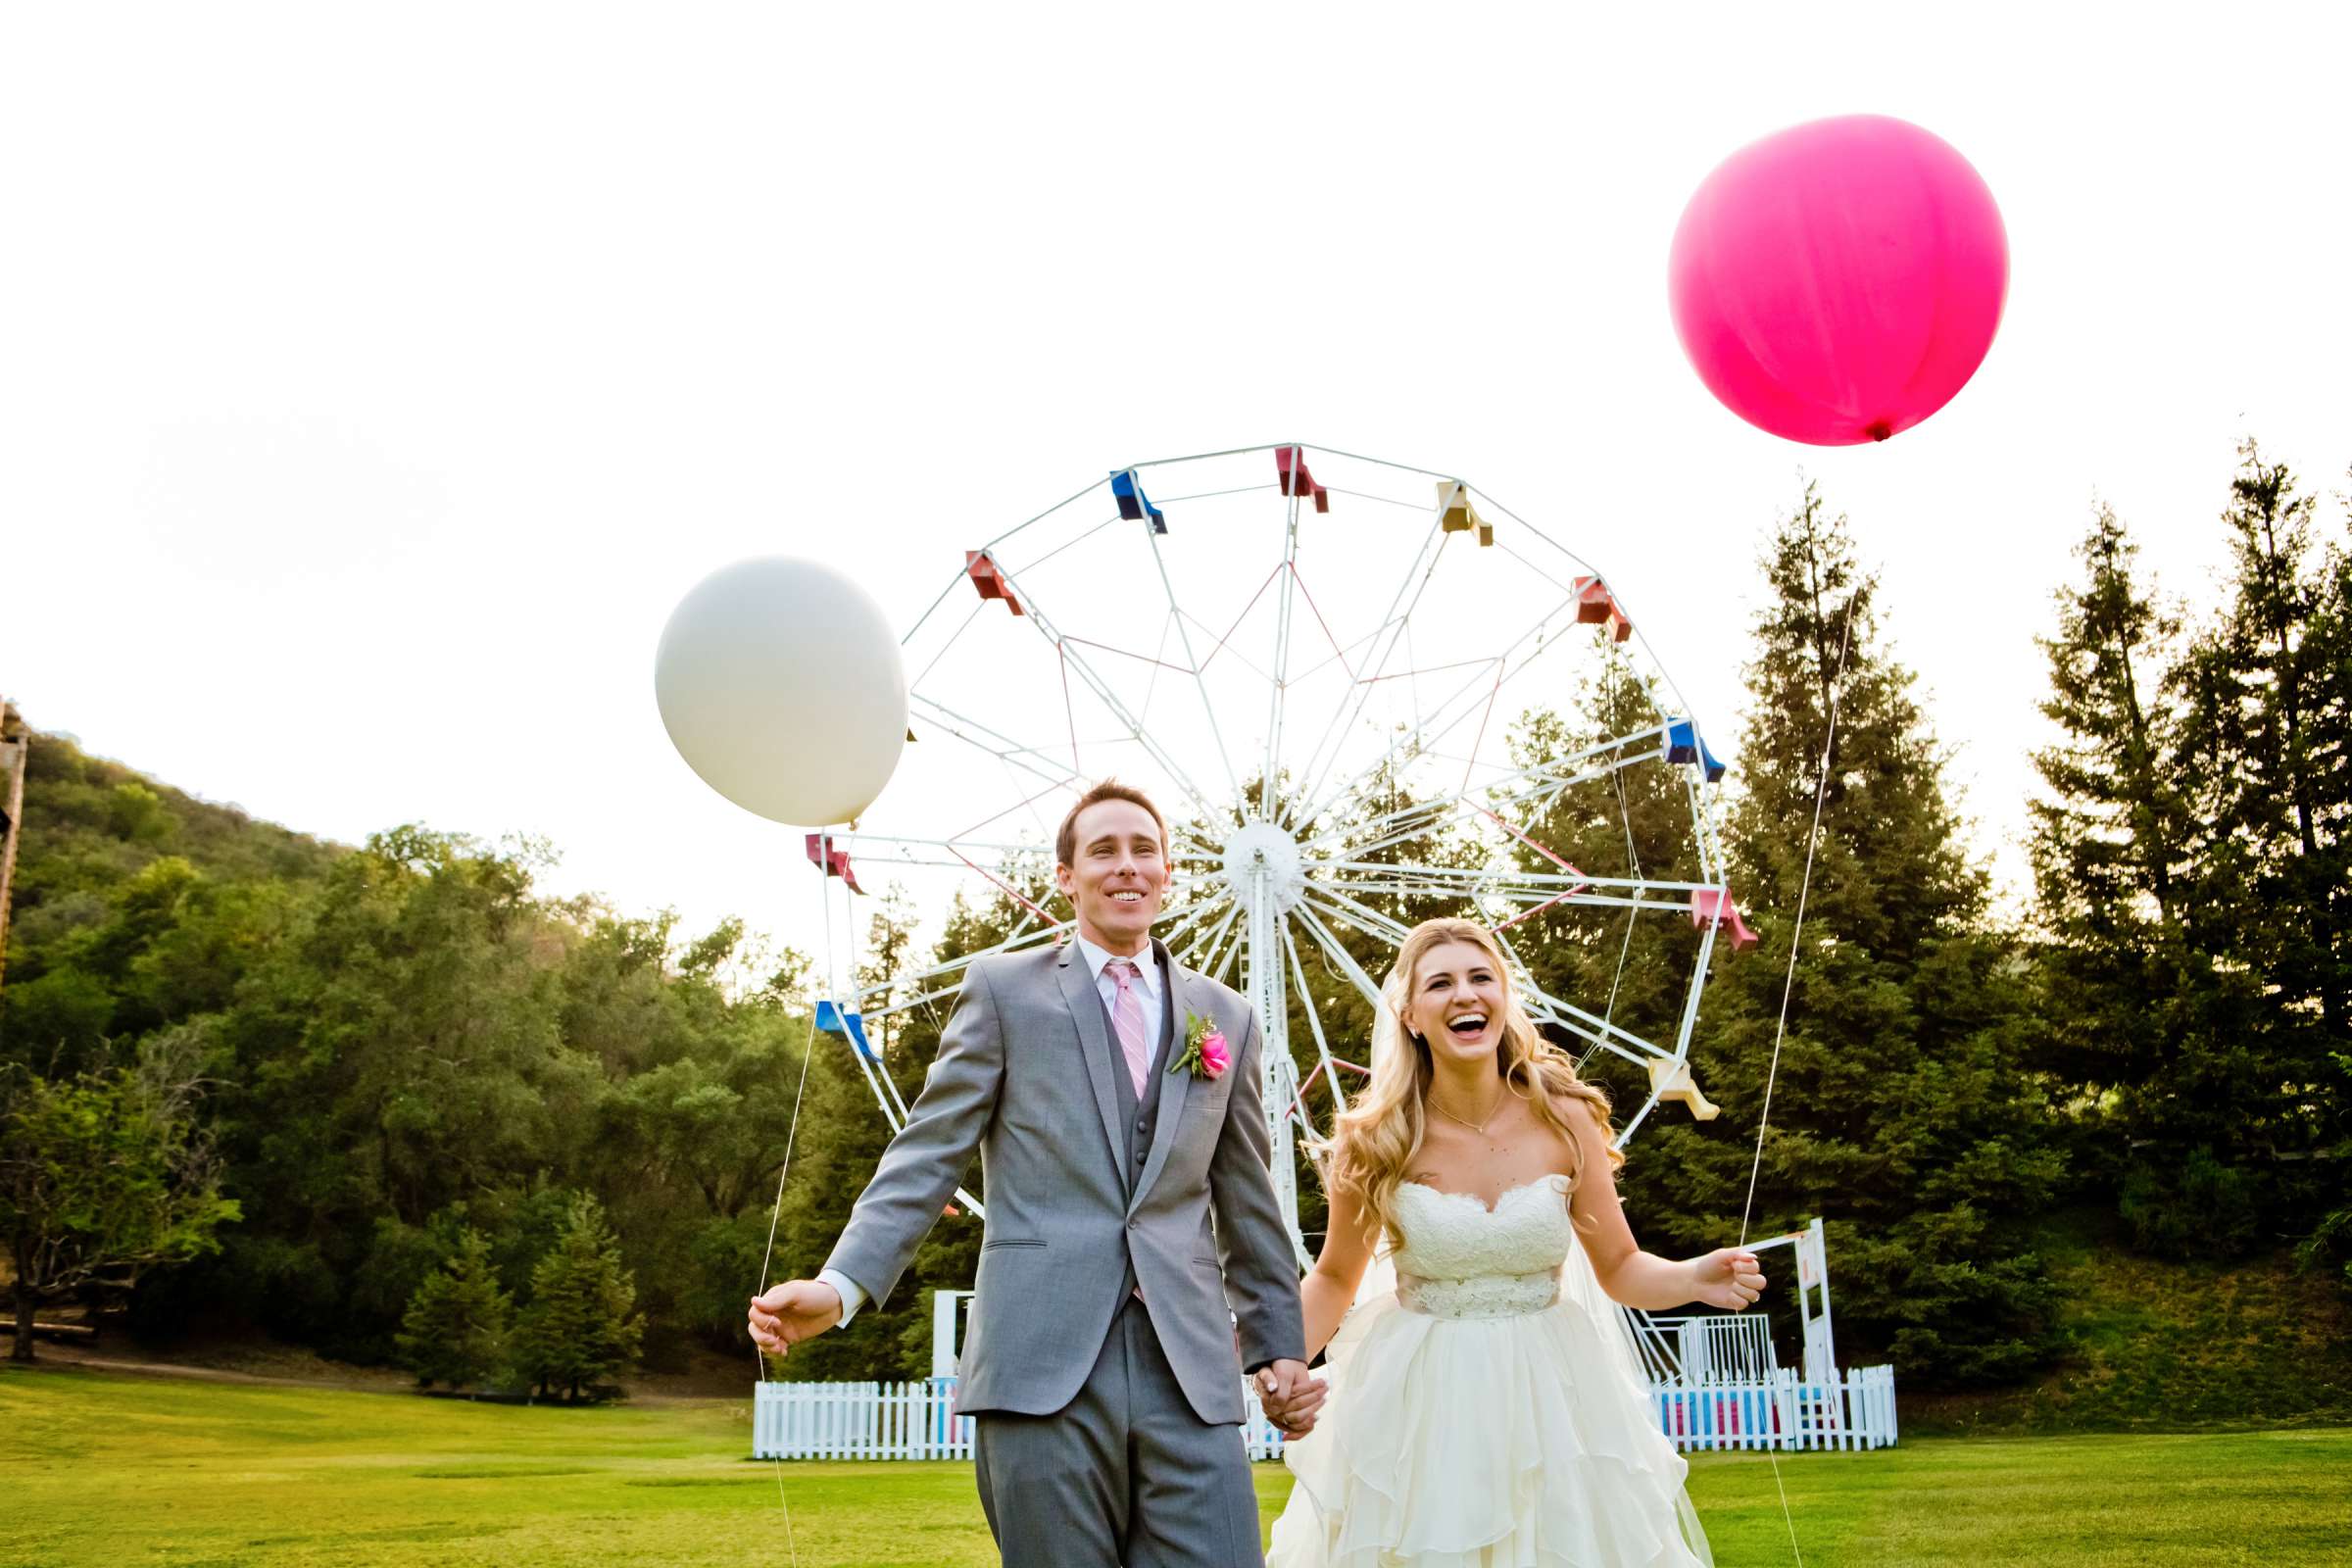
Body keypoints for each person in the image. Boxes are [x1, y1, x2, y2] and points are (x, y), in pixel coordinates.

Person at [750, 780, 1322, 1567]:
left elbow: (1247, 1198)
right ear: (1066, 875)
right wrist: (841, 1286)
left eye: (1144, 849)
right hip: (1039, 1367)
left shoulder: (1225, 1016)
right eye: (1104, 851)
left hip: (1188, 1369)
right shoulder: (1001, 990)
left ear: (1167, 870)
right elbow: (928, 1154)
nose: (1127, 867)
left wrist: (1277, 1346)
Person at [1265, 916, 1765, 1568]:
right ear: (1411, 1014)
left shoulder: (1566, 1117)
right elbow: (1334, 1279)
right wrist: (1281, 1367)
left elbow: (1619, 1266)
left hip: (1555, 1395)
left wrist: (1695, 1277)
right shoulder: (1376, 1139)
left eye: (1481, 978)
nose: (1465, 995)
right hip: (1423, 1403)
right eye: (1440, 983)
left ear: (1505, 998)